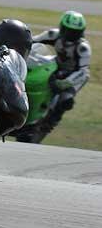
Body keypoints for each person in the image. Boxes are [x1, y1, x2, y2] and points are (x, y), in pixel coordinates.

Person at [16, 11, 91, 143]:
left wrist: (63, 83)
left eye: (76, 32)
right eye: (69, 31)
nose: (71, 35)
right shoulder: (54, 35)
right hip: (57, 66)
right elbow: (32, 42)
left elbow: (83, 71)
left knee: (64, 100)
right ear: (62, 28)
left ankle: (44, 127)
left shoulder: (83, 48)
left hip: (75, 76)